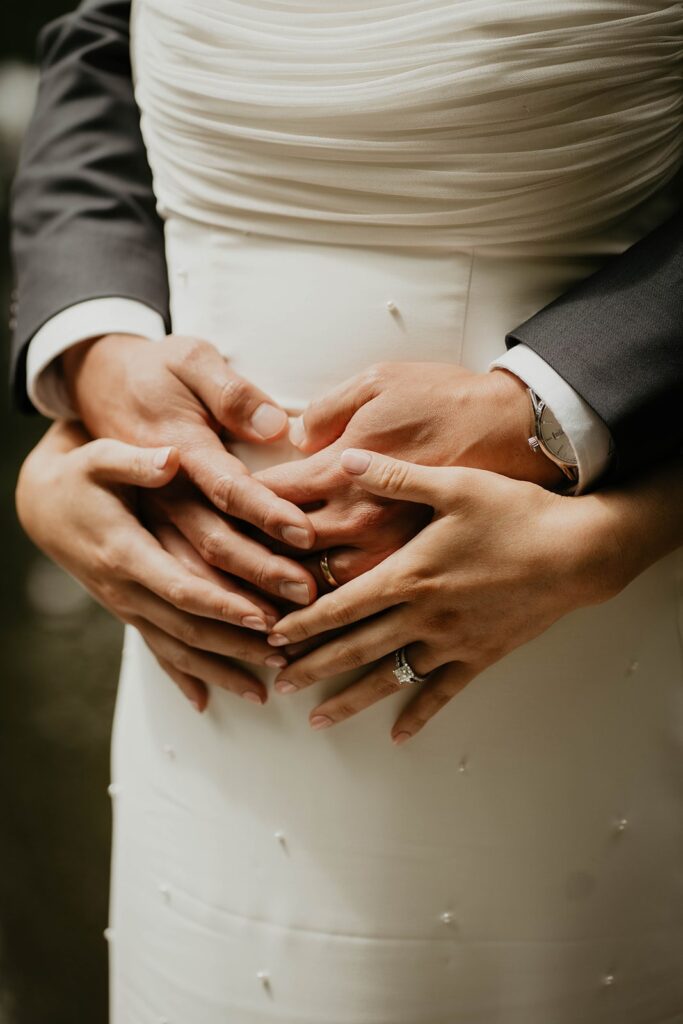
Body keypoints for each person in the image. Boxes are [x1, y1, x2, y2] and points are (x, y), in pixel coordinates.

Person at [11, 0, 683, 1020]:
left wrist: (550, 407)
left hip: (575, 634)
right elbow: (97, 49)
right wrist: (91, 360)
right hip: (206, 706)